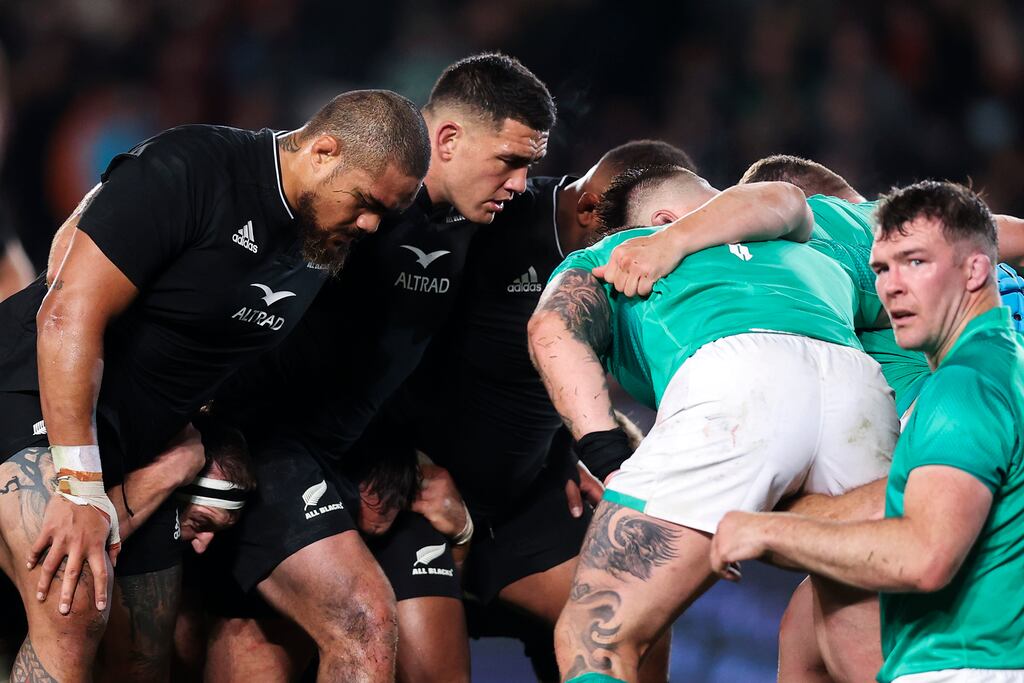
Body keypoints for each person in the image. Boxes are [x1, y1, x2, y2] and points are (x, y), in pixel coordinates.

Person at [0, 89, 429, 682]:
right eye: (365, 203)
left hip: (138, 439)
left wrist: (202, 436)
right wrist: (77, 483)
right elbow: (65, 308)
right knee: (74, 608)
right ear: (325, 150)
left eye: (388, 213)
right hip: (34, 399)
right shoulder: (193, 167)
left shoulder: (321, 240)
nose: (372, 224)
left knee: (147, 661)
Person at [201, 52, 557, 683]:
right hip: (270, 451)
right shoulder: (361, 203)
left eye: (531, 165)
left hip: (365, 459)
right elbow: (240, 317)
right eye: (510, 161)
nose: (521, 183)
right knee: (354, 623)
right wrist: (207, 440)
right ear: (446, 140)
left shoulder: (481, 223)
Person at [528, 165, 898, 683]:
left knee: (596, 633)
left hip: (733, 382)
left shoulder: (624, 252)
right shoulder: (814, 248)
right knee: (859, 642)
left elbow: (551, 329)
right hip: (860, 389)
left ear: (660, 220)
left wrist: (608, 458)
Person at [711, 180, 1024, 683]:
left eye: (915, 262)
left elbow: (924, 556)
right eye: (881, 267)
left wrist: (765, 528)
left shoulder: (967, 385)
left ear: (976, 269)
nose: (892, 285)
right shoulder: (996, 367)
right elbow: (906, 500)